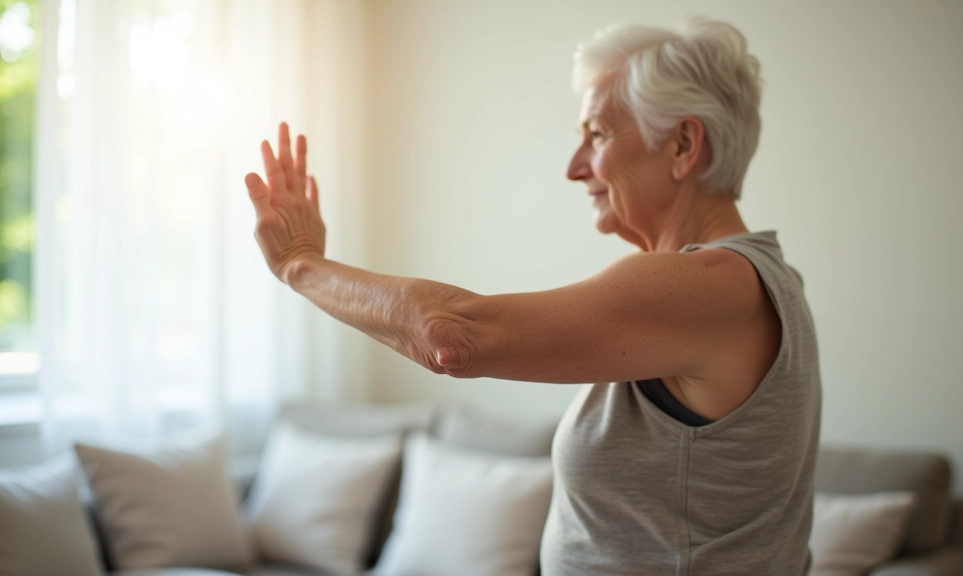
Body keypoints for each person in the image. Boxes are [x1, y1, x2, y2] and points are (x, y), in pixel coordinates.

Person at [244, 16, 821, 576]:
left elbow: (453, 336)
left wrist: (301, 264)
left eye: (596, 134)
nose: (574, 167)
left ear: (683, 144)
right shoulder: (760, 281)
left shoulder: (710, 286)